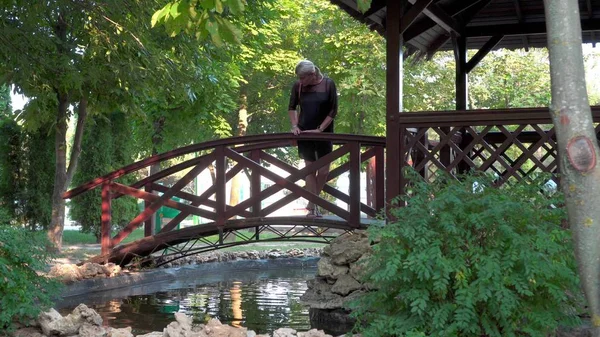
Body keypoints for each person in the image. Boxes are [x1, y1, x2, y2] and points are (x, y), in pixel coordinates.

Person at [287, 60, 338, 217]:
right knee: (310, 170)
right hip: (304, 133)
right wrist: (295, 126)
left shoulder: (329, 84)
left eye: (303, 78)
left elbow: (333, 110)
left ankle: (311, 203)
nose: (300, 81)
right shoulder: (298, 86)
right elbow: (292, 107)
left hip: (324, 132)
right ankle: (313, 208)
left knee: (323, 171)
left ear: (312, 74)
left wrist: (320, 129)